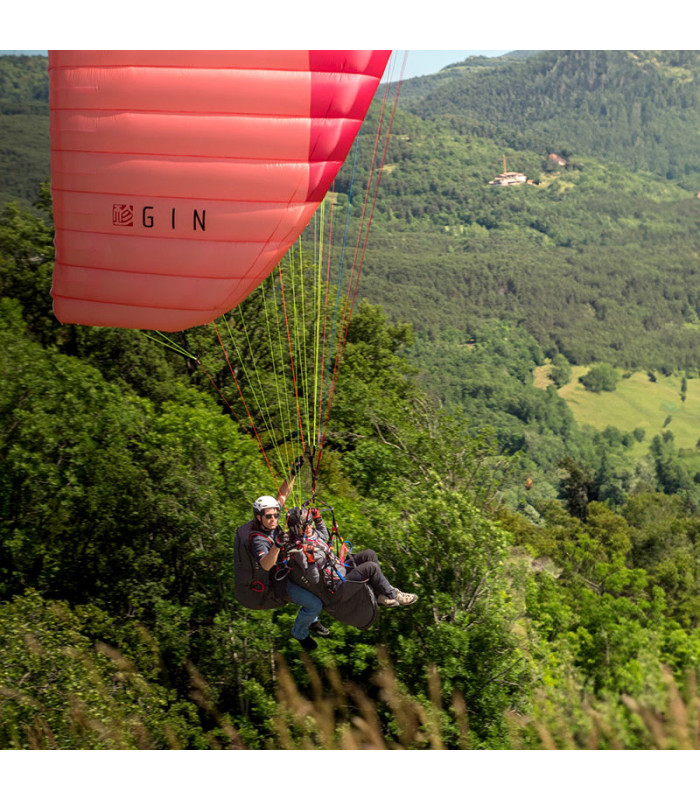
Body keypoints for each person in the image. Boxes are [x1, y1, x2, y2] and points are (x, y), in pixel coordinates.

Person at [246, 464, 330, 653]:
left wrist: (292, 474)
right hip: (277, 582)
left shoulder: (271, 521)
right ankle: (300, 632)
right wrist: (277, 545)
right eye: (269, 516)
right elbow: (266, 565)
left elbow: (282, 496)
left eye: (276, 515)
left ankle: (312, 619)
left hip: (289, 568)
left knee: (320, 583)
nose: (274, 518)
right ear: (259, 518)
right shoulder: (258, 538)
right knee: (315, 603)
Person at [286, 506, 418, 608]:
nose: (309, 527)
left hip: (341, 567)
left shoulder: (311, 535)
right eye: (305, 526)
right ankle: (394, 595)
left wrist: (319, 520)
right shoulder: (300, 551)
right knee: (370, 568)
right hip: (337, 584)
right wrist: (310, 560)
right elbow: (313, 579)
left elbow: (323, 536)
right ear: (296, 529)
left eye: (310, 523)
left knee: (369, 554)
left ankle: (379, 594)